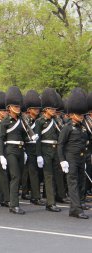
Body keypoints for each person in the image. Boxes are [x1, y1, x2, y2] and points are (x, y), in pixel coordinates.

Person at [58, 88, 90, 219]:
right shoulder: (67, 128)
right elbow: (60, 144)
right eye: (80, 115)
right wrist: (62, 160)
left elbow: (86, 142)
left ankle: (74, 208)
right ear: (72, 114)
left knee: (81, 182)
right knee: (73, 183)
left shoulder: (83, 127)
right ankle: (76, 209)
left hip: (81, 158)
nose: (82, 117)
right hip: (71, 159)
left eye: (83, 115)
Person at [0, 86, 29, 215]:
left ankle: (13, 202)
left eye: (18, 106)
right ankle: (14, 205)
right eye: (15, 106)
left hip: (21, 150)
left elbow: (24, 137)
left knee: (20, 177)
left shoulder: (22, 121)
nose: (18, 108)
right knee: (15, 177)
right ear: (9, 107)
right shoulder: (5, 121)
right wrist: (1, 155)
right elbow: (1, 139)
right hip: (10, 150)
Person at [35, 88, 63, 212]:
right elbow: (37, 139)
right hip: (45, 150)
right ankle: (50, 203)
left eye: (54, 109)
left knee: (57, 175)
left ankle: (55, 198)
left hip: (55, 150)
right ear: (46, 109)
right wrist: (39, 155)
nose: (54, 111)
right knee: (49, 177)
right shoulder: (40, 122)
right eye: (51, 109)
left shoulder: (56, 121)